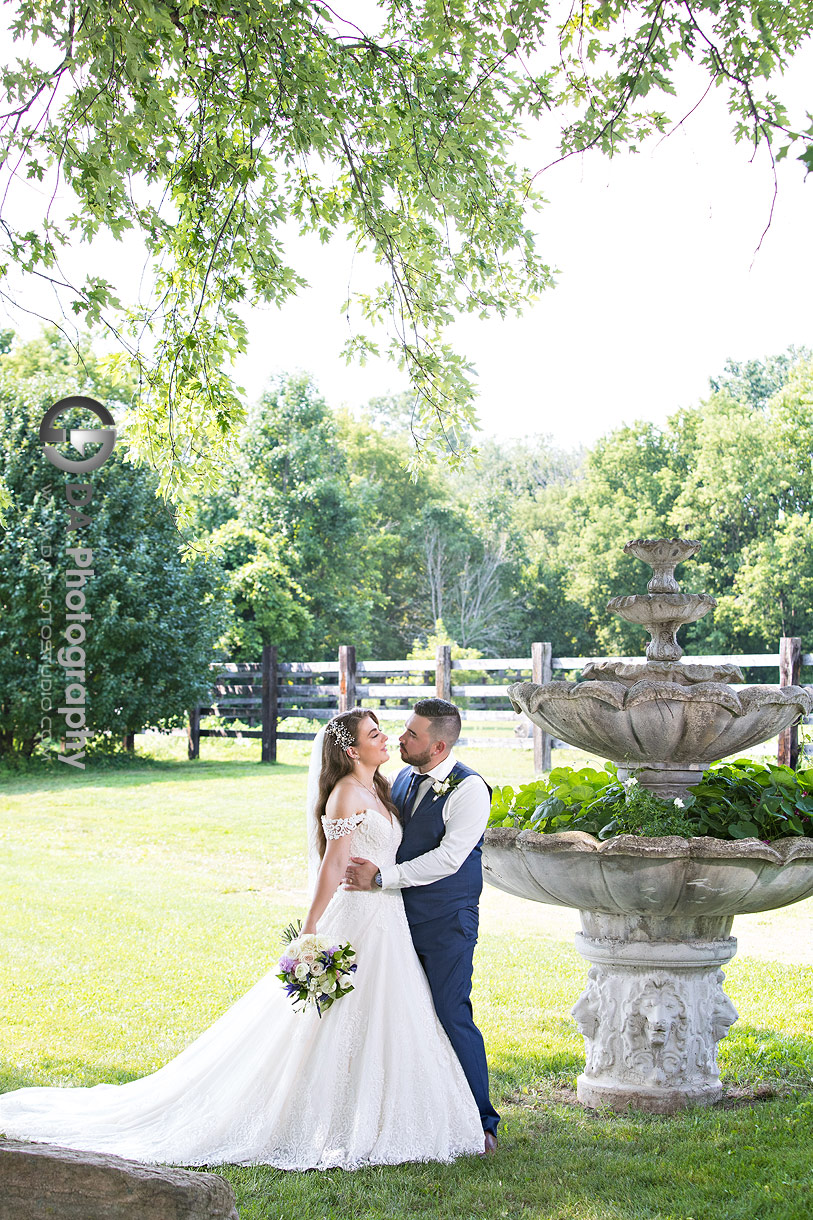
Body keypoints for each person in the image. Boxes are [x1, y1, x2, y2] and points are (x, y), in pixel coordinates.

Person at [0, 709, 484, 1170]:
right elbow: (333, 865)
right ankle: (315, 1113)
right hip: (356, 915)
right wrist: (311, 928)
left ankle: (383, 1108)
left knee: (389, 1013)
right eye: (375, 733)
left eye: (387, 732)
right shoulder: (345, 794)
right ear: (353, 750)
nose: (387, 739)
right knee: (325, 1020)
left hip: (387, 917)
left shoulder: (383, 785)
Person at [344, 697, 500, 1152]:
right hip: (391, 919)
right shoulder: (406, 775)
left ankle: (482, 1121)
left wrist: (383, 878)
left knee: (451, 1012)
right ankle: (411, 1110)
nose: (400, 738)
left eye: (411, 734)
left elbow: (450, 859)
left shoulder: (470, 790)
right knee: (401, 1013)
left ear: (438, 746)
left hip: (446, 918)